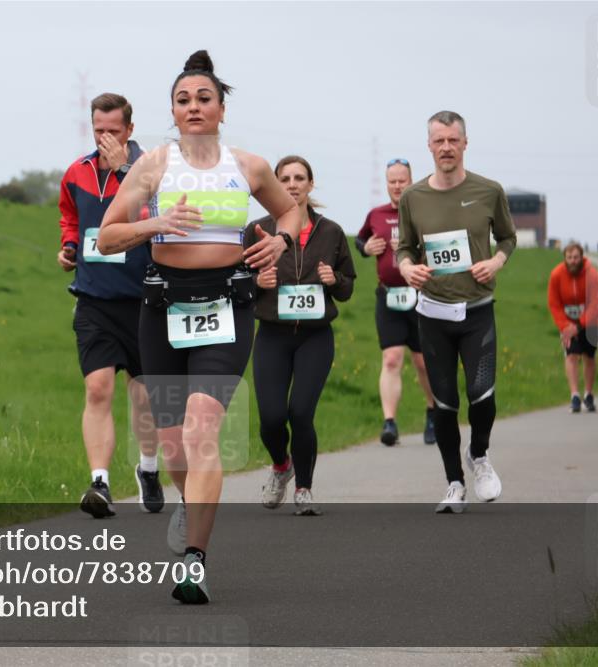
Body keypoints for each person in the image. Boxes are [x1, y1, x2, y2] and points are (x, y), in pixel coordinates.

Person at [98, 50, 300, 603]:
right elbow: (108, 237)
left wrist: (280, 242)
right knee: (173, 449)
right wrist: (156, 223)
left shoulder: (249, 166)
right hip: (162, 311)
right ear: (173, 109)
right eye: (183, 99)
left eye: (203, 98)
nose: (194, 106)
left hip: (227, 309)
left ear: (221, 108)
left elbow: (290, 213)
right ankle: (192, 507)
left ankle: (195, 562)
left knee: (200, 431)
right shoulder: (155, 166)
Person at [397, 111, 516, 514]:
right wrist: (407, 269)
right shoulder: (413, 197)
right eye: (439, 141)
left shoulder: (489, 190)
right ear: (429, 146)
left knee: (482, 396)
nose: (446, 148)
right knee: (444, 403)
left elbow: (508, 237)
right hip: (433, 314)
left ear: (465, 143)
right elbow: (404, 249)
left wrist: (496, 262)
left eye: (453, 140)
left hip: (477, 310)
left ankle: (478, 454)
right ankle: (454, 483)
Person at [57, 92, 164, 518]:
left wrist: (124, 167)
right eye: (98, 130)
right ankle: (99, 482)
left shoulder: (149, 170)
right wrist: (68, 247)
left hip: (142, 300)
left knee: (143, 398)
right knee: (97, 388)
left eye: (113, 131)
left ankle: (150, 468)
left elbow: (163, 207)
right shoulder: (76, 173)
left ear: (130, 131)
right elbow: (70, 216)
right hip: (94, 299)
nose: (105, 138)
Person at [247, 156, 355, 515]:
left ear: (311, 184)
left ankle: (304, 489)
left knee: (301, 412)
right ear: (275, 185)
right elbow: (237, 283)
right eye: (285, 179)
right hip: (272, 336)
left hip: (314, 337)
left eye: (299, 178)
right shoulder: (258, 229)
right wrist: (256, 283)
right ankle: (281, 467)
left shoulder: (332, 232)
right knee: (272, 418)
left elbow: (346, 288)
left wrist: (333, 280)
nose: (292, 185)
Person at [356, 158, 436, 446]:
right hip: (388, 295)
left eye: (402, 180)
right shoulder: (376, 214)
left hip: (421, 295)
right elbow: (361, 241)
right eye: (392, 181)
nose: (397, 185)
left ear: (411, 181)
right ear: (386, 183)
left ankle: (432, 412)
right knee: (391, 359)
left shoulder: (424, 212)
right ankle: (389, 422)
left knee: (423, 362)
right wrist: (366, 248)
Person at [547, 242, 598, 413]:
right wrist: (565, 326)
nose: (573, 261)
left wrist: (578, 325)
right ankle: (575, 395)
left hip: (589, 322)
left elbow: (596, 302)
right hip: (568, 323)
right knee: (571, 355)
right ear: (565, 258)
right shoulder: (556, 274)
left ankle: (588, 393)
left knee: (589, 356)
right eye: (569, 257)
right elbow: (554, 304)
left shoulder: (591, 274)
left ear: (581, 257)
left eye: (576, 257)